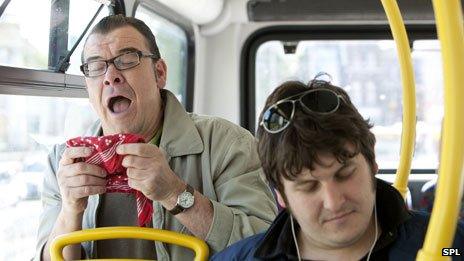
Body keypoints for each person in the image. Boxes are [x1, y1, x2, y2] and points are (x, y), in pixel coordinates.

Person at [34, 14, 277, 260]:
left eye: (127, 59)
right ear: (88, 87)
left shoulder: (226, 143)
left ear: (159, 73)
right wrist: (70, 212)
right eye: (96, 67)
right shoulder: (62, 163)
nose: (110, 76)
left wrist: (175, 193)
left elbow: (266, 250)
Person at [212, 77, 464, 260]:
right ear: (281, 194)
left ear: (372, 162)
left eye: (344, 174)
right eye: (308, 186)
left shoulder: (448, 245)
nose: (333, 202)